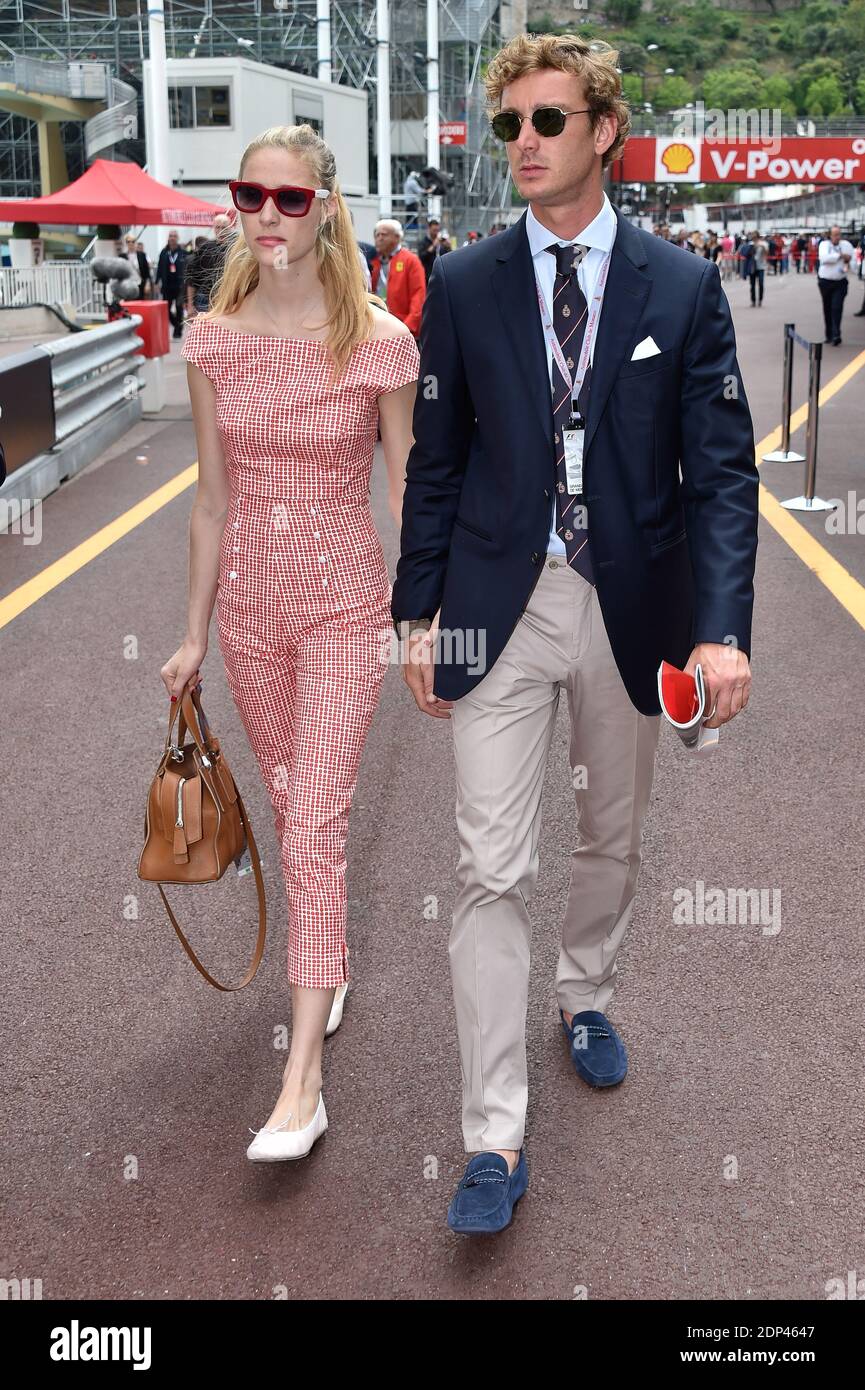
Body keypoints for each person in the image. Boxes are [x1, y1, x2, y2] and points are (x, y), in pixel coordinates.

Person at [391, 30, 758, 1235]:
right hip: (497, 609)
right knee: (488, 868)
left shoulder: (682, 286)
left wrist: (721, 630)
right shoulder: (462, 284)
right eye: (509, 127)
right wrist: (415, 614)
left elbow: (719, 473)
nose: (526, 145)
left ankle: (585, 988)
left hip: (627, 606)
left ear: (602, 129)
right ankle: (492, 1133)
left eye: (547, 122)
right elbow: (434, 465)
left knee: (608, 831)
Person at [164, 122, 419, 1162]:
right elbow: (210, 503)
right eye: (251, 196)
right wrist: (188, 634)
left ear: (326, 206)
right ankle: (332, 960)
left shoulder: (379, 343)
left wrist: (422, 610)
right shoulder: (212, 342)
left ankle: (300, 1079)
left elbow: (408, 481)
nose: (268, 216)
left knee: (315, 817)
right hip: (249, 616)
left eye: (291, 198)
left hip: (346, 605)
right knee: (283, 801)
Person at [370, 219, 426, 338]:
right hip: (378, 327)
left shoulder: (410, 260)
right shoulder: (374, 262)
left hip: (402, 327)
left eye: (383, 234)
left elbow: (418, 296)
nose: (379, 238)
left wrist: (407, 328)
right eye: (377, 235)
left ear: (397, 237)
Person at [184, 212, 232, 319]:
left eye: (224, 227)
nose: (221, 231)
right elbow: (191, 279)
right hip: (205, 299)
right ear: (214, 229)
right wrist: (190, 306)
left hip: (229, 299)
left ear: (230, 228)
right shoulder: (205, 248)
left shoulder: (235, 248)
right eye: (217, 227)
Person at [817, 224, 855, 345]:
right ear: (830, 235)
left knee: (837, 307)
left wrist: (847, 261)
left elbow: (852, 260)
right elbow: (824, 258)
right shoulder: (824, 245)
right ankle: (829, 334)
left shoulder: (846, 245)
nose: (837, 237)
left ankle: (836, 334)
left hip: (840, 281)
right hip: (825, 281)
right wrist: (839, 256)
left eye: (839, 234)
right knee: (827, 307)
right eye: (835, 235)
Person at [155, 230, 188, 337]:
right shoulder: (164, 252)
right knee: (166, 309)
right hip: (167, 286)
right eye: (170, 236)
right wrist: (156, 282)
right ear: (168, 238)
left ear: (177, 238)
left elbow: (187, 269)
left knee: (179, 309)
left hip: (179, 286)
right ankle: (176, 324)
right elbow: (159, 268)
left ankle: (177, 331)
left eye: (174, 236)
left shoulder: (183, 252)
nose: (172, 238)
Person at [417, 217, 452, 281]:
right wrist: (433, 245)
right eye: (434, 230)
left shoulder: (442, 241)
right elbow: (421, 257)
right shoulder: (423, 242)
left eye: (437, 230)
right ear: (429, 229)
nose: (436, 232)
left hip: (441, 275)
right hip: (427, 276)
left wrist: (448, 247)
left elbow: (449, 257)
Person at [748, 230, 768, 307]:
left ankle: (760, 300)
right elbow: (747, 254)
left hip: (761, 266)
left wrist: (762, 247)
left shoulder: (763, 244)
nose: (754, 238)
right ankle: (753, 301)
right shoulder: (750, 244)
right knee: (752, 285)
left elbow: (767, 253)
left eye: (755, 236)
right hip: (752, 266)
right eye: (753, 237)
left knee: (761, 284)